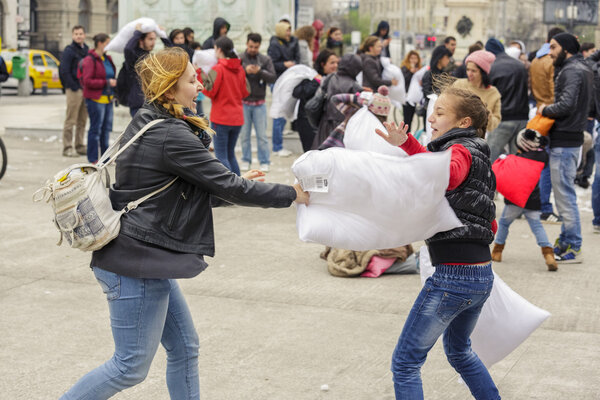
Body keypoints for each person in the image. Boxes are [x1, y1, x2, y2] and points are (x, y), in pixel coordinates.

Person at [59, 46, 309, 400]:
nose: (200, 86)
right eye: (192, 80)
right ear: (170, 86)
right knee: (129, 366)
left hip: (145, 256)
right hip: (136, 262)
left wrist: (236, 185)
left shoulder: (151, 119)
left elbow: (189, 190)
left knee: (185, 348)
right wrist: (291, 194)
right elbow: (228, 185)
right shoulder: (170, 134)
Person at [375, 86, 499, 400]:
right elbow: (491, 222)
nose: (432, 118)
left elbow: (446, 174)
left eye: (440, 113)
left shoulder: (458, 150)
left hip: (453, 277)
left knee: (405, 362)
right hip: (481, 275)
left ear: (465, 122)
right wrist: (409, 145)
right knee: (460, 352)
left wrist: (408, 149)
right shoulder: (481, 156)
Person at [539, 32, 593, 263]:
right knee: (564, 194)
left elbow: (566, 104)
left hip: (565, 140)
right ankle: (566, 239)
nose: (550, 53)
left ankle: (573, 246)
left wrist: (544, 110)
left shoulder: (571, 70)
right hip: (571, 138)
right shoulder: (583, 68)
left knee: (564, 196)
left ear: (566, 48)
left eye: (553, 47)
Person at [492, 129, 557, 271]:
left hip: (515, 201)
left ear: (521, 145)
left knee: (503, 223)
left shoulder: (515, 159)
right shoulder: (542, 157)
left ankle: (497, 251)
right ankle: (548, 254)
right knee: (537, 226)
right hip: (533, 200)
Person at [201, 36, 249, 175]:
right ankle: (239, 187)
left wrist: (200, 73)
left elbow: (209, 91)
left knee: (221, 156)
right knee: (230, 155)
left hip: (221, 118)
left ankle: (229, 189)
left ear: (219, 49)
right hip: (237, 118)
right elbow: (245, 91)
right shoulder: (239, 68)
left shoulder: (218, 69)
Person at [531, 27, 564, 223]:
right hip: (551, 113)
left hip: (538, 110)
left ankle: (538, 203)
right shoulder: (551, 61)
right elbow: (556, 90)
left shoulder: (536, 59)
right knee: (547, 164)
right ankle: (544, 206)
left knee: (539, 161)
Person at [485, 38, 529, 162]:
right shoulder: (520, 65)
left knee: (490, 159)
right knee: (517, 160)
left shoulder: (492, 67)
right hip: (521, 118)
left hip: (502, 118)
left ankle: (489, 181)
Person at [240, 33, 277, 172]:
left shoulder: (265, 59)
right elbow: (233, 76)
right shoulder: (240, 58)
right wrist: (245, 70)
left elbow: (273, 77)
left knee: (262, 136)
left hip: (259, 103)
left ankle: (264, 160)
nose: (253, 49)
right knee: (244, 134)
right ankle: (245, 159)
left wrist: (260, 71)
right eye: (250, 46)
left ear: (259, 46)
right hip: (243, 102)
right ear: (246, 44)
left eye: (256, 47)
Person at [80, 33, 116, 164]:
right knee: (95, 130)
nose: (109, 45)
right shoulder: (90, 60)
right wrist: (106, 82)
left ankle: (105, 158)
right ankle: (93, 158)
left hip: (107, 99)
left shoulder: (107, 58)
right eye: (107, 43)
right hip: (95, 100)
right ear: (100, 43)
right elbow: (87, 81)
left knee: (106, 130)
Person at [292, 49, 338, 152]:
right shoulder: (311, 77)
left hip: (324, 123)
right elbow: (297, 92)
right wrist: (316, 82)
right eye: (332, 63)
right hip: (307, 123)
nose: (335, 65)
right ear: (323, 64)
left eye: (337, 63)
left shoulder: (335, 79)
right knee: (311, 154)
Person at [314, 53, 363, 149]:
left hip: (325, 123)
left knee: (322, 155)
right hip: (344, 126)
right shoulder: (354, 85)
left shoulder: (330, 78)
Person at [319, 85, 392, 150]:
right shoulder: (383, 131)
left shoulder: (354, 113)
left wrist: (360, 98)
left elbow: (335, 99)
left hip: (335, 148)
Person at [123, 23, 171, 118]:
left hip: (152, 103)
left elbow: (173, 53)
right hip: (138, 103)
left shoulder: (152, 57)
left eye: (154, 39)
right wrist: (137, 33)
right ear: (141, 41)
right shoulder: (134, 57)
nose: (153, 42)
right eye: (150, 39)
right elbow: (128, 49)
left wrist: (163, 35)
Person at [268, 20, 300, 157]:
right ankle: (277, 146)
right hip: (279, 81)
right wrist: (285, 64)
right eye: (286, 30)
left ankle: (278, 144)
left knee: (283, 113)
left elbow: (298, 58)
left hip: (290, 80)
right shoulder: (274, 43)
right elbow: (272, 64)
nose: (289, 32)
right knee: (279, 114)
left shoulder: (293, 41)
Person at [452, 50, 501, 133]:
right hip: (456, 133)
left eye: (473, 71)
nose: (469, 74)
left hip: (479, 138)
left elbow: (495, 123)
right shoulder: (459, 85)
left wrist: (488, 116)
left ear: (483, 73)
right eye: (468, 70)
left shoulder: (493, 93)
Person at [59, 25, 89, 157]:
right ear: (73, 36)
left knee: (82, 120)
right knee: (71, 119)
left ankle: (79, 145)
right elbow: (64, 71)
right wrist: (74, 86)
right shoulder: (69, 50)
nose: (78, 36)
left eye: (81, 33)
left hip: (85, 89)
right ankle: (67, 147)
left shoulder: (87, 49)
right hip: (74, 89)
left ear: (84, 35)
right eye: (76, 34)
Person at [422, 45, 452, 109]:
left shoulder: (444, 74)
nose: (448, 60)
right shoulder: (429, 74)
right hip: (431, 109)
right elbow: (427, 93)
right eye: (447, 57)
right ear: (439, 58)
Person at [400, 50, 421, 130]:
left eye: (415, 58)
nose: (414, 60)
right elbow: (403, 80)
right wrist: (410, 72)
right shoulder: (405, 68)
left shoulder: (418, 68)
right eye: (412, 58)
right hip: (406, 95)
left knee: (411, 117)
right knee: (406, 118)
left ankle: (408, 135)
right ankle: (405, 135)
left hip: (414, 95)